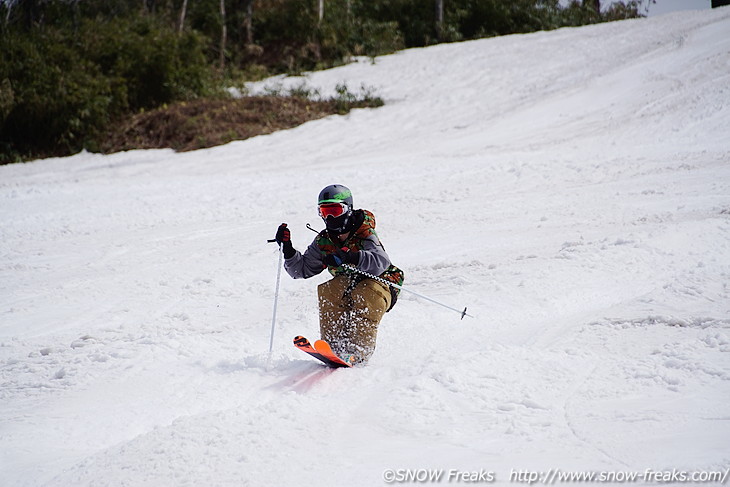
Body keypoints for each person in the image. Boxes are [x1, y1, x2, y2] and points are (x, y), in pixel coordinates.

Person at [274, 184, 404, 365]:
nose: (329, 217)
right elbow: (301, 270)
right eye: (324, 211)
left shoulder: (364, 232)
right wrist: (287, 249)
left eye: (335, 210)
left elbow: (381, 263)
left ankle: (358, 351)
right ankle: (335, 348)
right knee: (330, 290)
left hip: (382, 282)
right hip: (349, 282)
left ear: (347, 209)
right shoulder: (325, 240)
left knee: (366, 293)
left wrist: (351, 256)